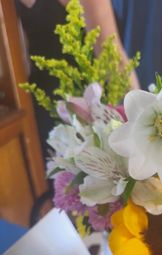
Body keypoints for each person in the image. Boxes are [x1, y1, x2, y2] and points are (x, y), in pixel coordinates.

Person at [16, 0, 139, 161]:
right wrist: (139, 118)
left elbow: (22, 63)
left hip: (46, 115)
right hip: (91, 111)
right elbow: (113, 59)